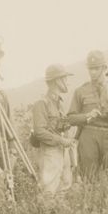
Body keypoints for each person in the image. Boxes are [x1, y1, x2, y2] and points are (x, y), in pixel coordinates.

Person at [66, 50, 108, 179]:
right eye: (90, 69)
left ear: (104, 68)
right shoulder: (80, 91)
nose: (92, 72)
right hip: (89, 135)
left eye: (96, 68)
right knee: (90, 177)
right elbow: (70, 118)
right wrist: (87, 116)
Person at [31, 64, 76, 194]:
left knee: (65, 188)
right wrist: (61, 140)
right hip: (50, 152)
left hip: (63, 150)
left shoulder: (60, 103)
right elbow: (39, 131)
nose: (67, 82)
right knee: (49, 191)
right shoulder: (41, 103)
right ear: (57, 80)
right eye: (65, 78)